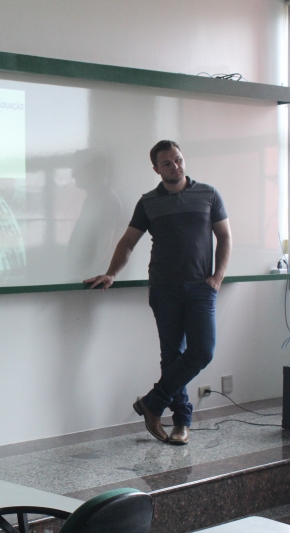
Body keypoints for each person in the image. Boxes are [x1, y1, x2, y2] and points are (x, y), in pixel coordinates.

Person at [84, 140, 232, 445]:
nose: (175, 166)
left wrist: (218, 276)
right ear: (156, 169)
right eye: (167, 163)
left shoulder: (208, 194)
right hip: (164, 289)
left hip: (201, 288)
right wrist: (111, 273)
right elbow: (127, 242)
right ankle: (181, 422)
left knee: (202, 351)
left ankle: (153, 403)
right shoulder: (148, 202)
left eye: (178, 159)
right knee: (172, 356)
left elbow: (225, 236)